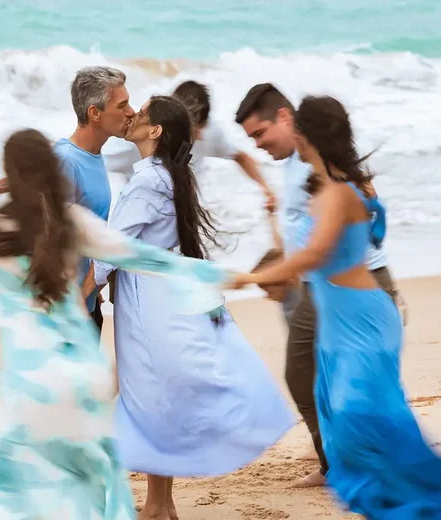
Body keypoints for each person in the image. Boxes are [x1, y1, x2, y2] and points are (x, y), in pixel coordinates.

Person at [0, 129, 239, 520]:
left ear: (9, 174)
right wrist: (219, 276)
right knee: (86, 488)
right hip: (84, 374)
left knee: (10, 493)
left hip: (31, 381)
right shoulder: (73, 221)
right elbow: (141, 255)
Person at [230, 95, 441, 518]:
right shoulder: (323, 186)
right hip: (336, 319)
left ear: (303, 132)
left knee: (358, 412)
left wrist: (252, 278)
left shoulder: (338, 193)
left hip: (362, 317)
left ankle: (434, 491)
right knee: (345, 420)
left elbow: (314, 255)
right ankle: (389, 500)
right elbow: (306, 252)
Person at [94, 96, 294, 520]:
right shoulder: (170, 174)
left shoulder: (148, 180)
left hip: (146, 295)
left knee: (147, 393)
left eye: (141, 115)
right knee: (154, 393)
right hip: (163, 290)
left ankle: (157, 505)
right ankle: (160, 503)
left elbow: (111, 247)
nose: (131, 117)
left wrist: (83, 290)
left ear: (155, 132)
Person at [235, 83, 401, 487]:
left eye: (260, 133)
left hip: (352, 286)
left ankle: (362, 463)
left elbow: (336, 235)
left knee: (351, 383)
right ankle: (335, 462)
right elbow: (302, 232)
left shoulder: (322, 168)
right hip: (315, 287)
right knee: (304, 375)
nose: (258, 145)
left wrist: (256, 276)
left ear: (286, 119)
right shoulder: (294, 164)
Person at [54, 66, 135, 332]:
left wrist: (91, 288)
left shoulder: (93, 154)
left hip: (86, 303)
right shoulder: (66, 160)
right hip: (67, 313)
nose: (131, 112)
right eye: (122, 105)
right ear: (94, 113)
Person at [103, 80, 274, 203]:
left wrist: (266, 188)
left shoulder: (208, 132)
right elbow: (93, 164)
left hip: (184, 219)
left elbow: (240, 156)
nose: (195, 138)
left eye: (197, 131)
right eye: (190, 131)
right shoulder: (136, 141)